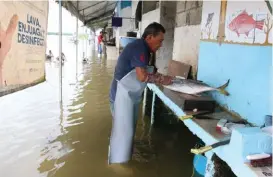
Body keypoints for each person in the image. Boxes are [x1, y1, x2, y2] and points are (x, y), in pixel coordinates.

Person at [108, 22, 174, 164]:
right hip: (120, 96)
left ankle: (126, 157)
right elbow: (142, 76)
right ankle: (118, 166)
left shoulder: (146, 50)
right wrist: (163, 80)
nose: (161, 45)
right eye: (160, 40)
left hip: (128, 97)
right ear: (150, 37)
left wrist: (162, 77)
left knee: (128, 132)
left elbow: (151, 71)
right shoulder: (140, 48)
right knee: (122, 134)